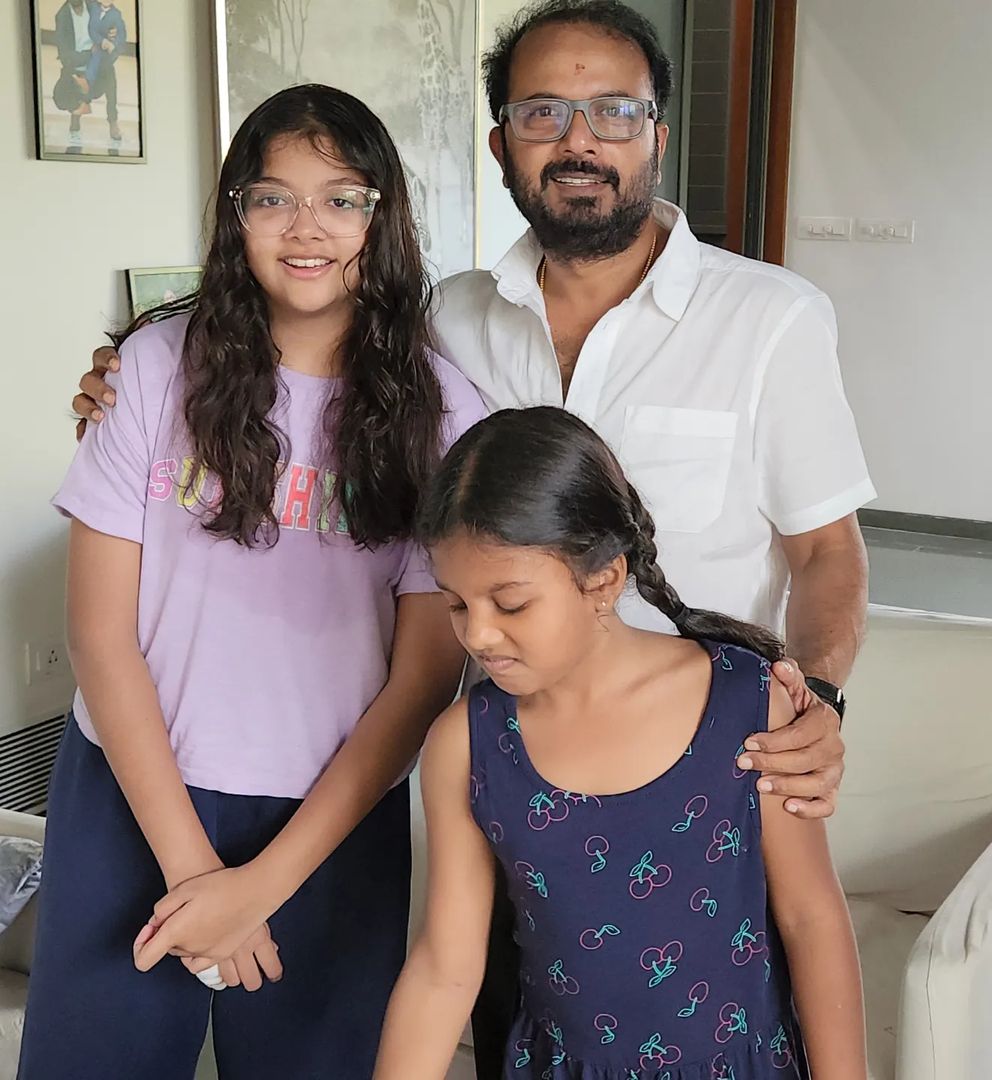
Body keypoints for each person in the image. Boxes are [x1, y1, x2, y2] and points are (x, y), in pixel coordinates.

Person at [68, 3, 874, 1073]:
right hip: (510, 777)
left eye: (613, 110)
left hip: (702, 777)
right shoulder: (447, 325)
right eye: (543, 112)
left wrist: (816, 702)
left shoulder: (769, 318)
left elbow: (828, 554)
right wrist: (126, 375)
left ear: (657, 132)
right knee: (520, 1025)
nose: (578, 138)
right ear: (501, 141)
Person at [21, 84, 485, 1080]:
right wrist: (196, 871)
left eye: (342, 199)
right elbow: (99, 634)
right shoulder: (152, 370)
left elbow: (422, 680)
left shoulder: (445, 415)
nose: (305, 227)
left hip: (328, 819)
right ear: (236, 214)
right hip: (131, 797)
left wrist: (261, 886)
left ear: (383, 217)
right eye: (273, 198)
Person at [374, 406, 867, 1079]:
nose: (478, 634)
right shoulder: (466, 745)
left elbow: (812, 918)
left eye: (510, 604)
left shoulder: (749, 705)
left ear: (604, 580)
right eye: (457, 603)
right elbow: (444, 969)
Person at [52, 0, 121, 146]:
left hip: (98, 65)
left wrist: (114, 32)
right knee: (64, 92)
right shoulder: (62, 16)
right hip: (75, 67)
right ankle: (75, 114)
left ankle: (113, 120)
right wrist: (89, 54)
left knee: (110, 74)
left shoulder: (95, 7)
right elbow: (65, 56)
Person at [84, 0, 127, 106]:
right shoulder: (93, 8)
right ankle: (86, 93)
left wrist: (113, 44)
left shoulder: (116, 14)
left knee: (107, 76)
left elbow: (122, 34)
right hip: (91, 46)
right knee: (91, 69)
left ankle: (110, 109)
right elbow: (91, 30)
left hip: (104, 51)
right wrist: (101, 41)